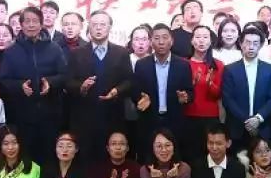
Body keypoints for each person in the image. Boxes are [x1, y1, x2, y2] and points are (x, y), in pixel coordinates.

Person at [0, 6, 68, 164]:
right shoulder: (11, 51)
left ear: (41, 24)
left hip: (50, 114)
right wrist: (20, 86)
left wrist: (50, 83)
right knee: (26, 158)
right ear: (21, 25)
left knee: (49, 158)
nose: (31, 25)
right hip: (22, 116)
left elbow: (64, 75)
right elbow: (3, 81)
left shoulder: (54, 48)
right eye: (27, 21)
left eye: (35, 21)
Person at [65, 10, 133, 162]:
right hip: (84, 118)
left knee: (111, 161)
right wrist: (81, 87)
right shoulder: (76, 53)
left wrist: (116, 91)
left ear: (109, 27)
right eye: (94, 24)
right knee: (86, 160)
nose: (98, 28)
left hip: (113, 116)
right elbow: (68, 82)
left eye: (103, 24)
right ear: (89, 27)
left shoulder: (121, 53)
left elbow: (129, 81)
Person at [132, 23, 194, 160]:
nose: (161, 42)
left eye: (165, 37)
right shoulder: (142, 65)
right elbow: (135, 91)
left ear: (171, 41)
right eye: (156, 38)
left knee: (174, 158)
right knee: (148, 158)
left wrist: (185, 97)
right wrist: (140, 100)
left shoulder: (183, 65)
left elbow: (190, 92)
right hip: (149, 119)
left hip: (174, 120)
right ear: (151, 41)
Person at [222, 26, 271, 150]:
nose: (251, 47)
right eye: (247, 42)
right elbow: (227, 99)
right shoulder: (230, 69)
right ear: (241, 44)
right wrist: (247, 121)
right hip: (237, 128)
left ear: (261, 45)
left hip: (262, 127)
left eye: (255, 43)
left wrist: (258, 118)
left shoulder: (270, 69)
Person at [185, 25, 225, 159]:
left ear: (210, 41)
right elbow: (180, 92)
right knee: (190, 154)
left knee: (210, 154)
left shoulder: (218, 65)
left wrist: (209, 83)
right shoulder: (184, 63)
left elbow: (219, 94)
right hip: (188, 116)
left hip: (210, 117)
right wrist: (192, 84)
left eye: (205, 37)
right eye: (198, 37)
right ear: (192, 41)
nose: (201, 40)